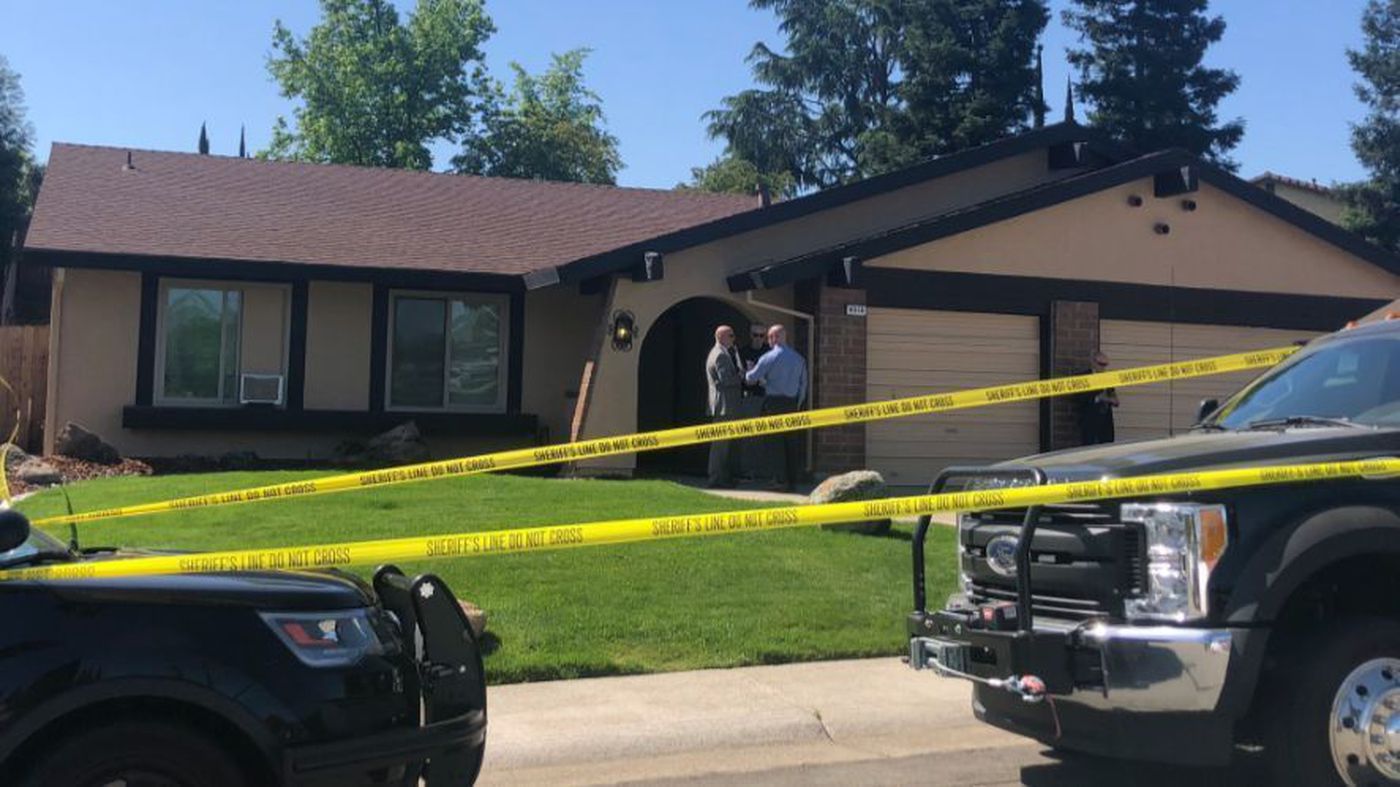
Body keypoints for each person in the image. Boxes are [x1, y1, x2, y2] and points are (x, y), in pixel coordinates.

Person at [745, 324, 808, 491]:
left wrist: (748, 371)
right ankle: (793, 481)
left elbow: (751, 379)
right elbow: (803, 387)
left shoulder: (769, 357)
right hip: (793, 404)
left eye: (768, 337)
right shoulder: (799, 359)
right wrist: (798, 404)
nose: (768, 341)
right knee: (791, 444)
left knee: (775, 444)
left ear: (774, 338)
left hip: (774, 404)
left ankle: (779, 481)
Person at [704, 324, 745, 488]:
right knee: (720, 446)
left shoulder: (722, 353)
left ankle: (722, 478)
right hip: (724, 406)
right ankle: (716, 479)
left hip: (724, 405)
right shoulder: (720, 355)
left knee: (724, 445)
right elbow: (726, 380)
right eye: (731, 335)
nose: (734, 339)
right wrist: (741, 376)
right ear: (721, 337)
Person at [1076, 350, 1118, 445]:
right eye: (1101, 364)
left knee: (1106, 448)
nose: (1103, 368)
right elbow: (1078, 398)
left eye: (1105, 365)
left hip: (1105, 422)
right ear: (1093, 362)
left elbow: (1115, 399)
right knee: (1088, 448)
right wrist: (1098, 398)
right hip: (1089, 420)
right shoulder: (1083, 377)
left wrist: (1110, 399)